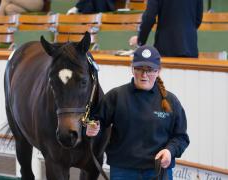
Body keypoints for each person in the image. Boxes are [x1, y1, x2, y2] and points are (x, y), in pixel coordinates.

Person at [86, 45, 190, 179]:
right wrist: (91, 129)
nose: (144, 75)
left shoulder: (171, 101)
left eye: (150, 70)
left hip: (158, 171)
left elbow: (181, 137)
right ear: (132, 68)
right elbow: (94, 123)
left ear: (158, 71)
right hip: (122, 171)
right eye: (139, 69)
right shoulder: (115, 97)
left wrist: (170, 151)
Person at [129, 0, 203, 57]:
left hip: (166, 49)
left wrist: (140, 40)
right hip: (190, 48)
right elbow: (198, 19)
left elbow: (149, 17)